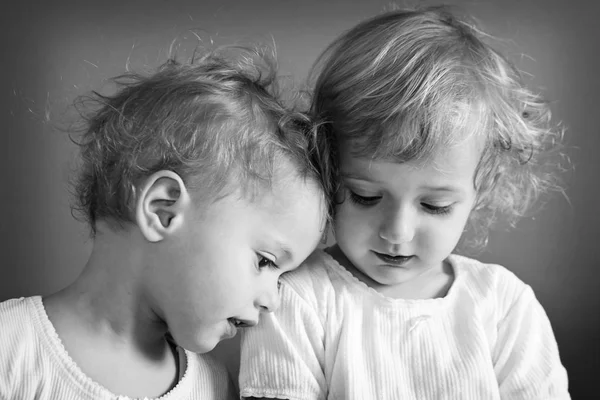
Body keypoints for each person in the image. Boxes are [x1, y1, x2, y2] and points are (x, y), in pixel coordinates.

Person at [239, 6, 570, 399]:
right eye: (366, 196)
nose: (397, 231)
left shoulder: (504, 307)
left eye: (435, 206)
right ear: (327, 169)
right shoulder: (297, 298)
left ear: (485, 183)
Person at [0, 46, 328, 399]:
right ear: (163, 210)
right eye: (265, 261)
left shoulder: (214, 387)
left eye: (280, 278)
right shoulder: (12, 345)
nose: (272, 301)